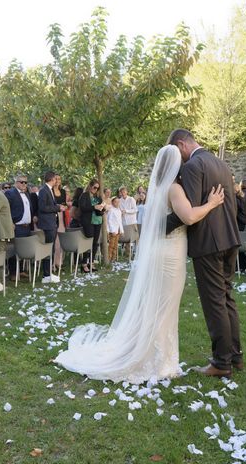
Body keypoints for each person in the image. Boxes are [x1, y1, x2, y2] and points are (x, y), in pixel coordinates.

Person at [55, 144, 225, 383]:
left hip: (160, 249)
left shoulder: (157, 187)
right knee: (165, 305)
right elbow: (188, 216)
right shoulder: (174, 188)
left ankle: (161, 357)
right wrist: (211, 203)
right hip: (170, 253)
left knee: (156, 304)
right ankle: (158, 360)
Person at [168, 129, 242, 377]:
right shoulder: (220, 163)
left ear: (182, 144)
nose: (178, 160)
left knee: (215, 304)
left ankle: (222, 363)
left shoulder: (193, 166)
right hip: (230, 239)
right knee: (227, 298)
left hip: (208, 243)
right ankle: (235, 356)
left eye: (177, 153)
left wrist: (157, 229)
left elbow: (187, 213)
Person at [37, 171, 67, 282]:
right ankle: (46, 275)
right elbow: (43, 207)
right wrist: (57, 208)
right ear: (51, 179)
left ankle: (48, 273)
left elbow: (49, 205)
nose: (56, 181)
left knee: (52, 248)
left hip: (52, 222)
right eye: (55, 179)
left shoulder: (48, 190)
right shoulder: (44, 191)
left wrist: (58, 206)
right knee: (49, 248)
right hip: (47, 223)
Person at [5, 174, 35, 279]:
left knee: (23, 249)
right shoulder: (10, 193)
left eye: (25, 182)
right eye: (21, 182)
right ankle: (13, 273)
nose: (24, 184)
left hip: (27, 226)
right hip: (16, 226)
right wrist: (10, 222)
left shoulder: (27, 193)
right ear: (16, 182)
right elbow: (6, 210)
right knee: (14, 249)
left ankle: (21, 270)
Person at [79, 179, 105, 273]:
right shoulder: (84, 195)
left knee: (95, 243)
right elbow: (82, 208)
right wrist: (94, 207)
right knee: (88, 242)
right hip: (88, 221)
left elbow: (100, 209)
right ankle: (84, 263)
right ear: (90, 186)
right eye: (94, 187)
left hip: (98, 221)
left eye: (98, 188)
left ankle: (91, 262)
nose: (96, 189)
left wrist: (102, 209)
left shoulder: (97, 196)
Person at [52, 173, 67, 269]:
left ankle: (59, 262)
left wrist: (64, 207)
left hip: (61, 216)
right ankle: (53, 263)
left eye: (59, 179)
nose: (57, 181)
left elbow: (65, 203)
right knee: (54, 240)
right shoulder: (50, 191)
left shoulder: (63, 191)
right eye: (56, 179)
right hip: (53, 215)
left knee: (60, 240)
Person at [106, 195, 124, 262]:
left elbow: (120, 221)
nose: (117, 203)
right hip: (112, 230)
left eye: (118, 202)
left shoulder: (119, 210)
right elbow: (109, 221)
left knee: (115, 245)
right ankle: (108, 258)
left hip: (118, 230)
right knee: (111, 245)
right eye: (116, 202)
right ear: (113, 203)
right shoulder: (111, 210)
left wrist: (121, 230)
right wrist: (112, 230)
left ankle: (113, 258)